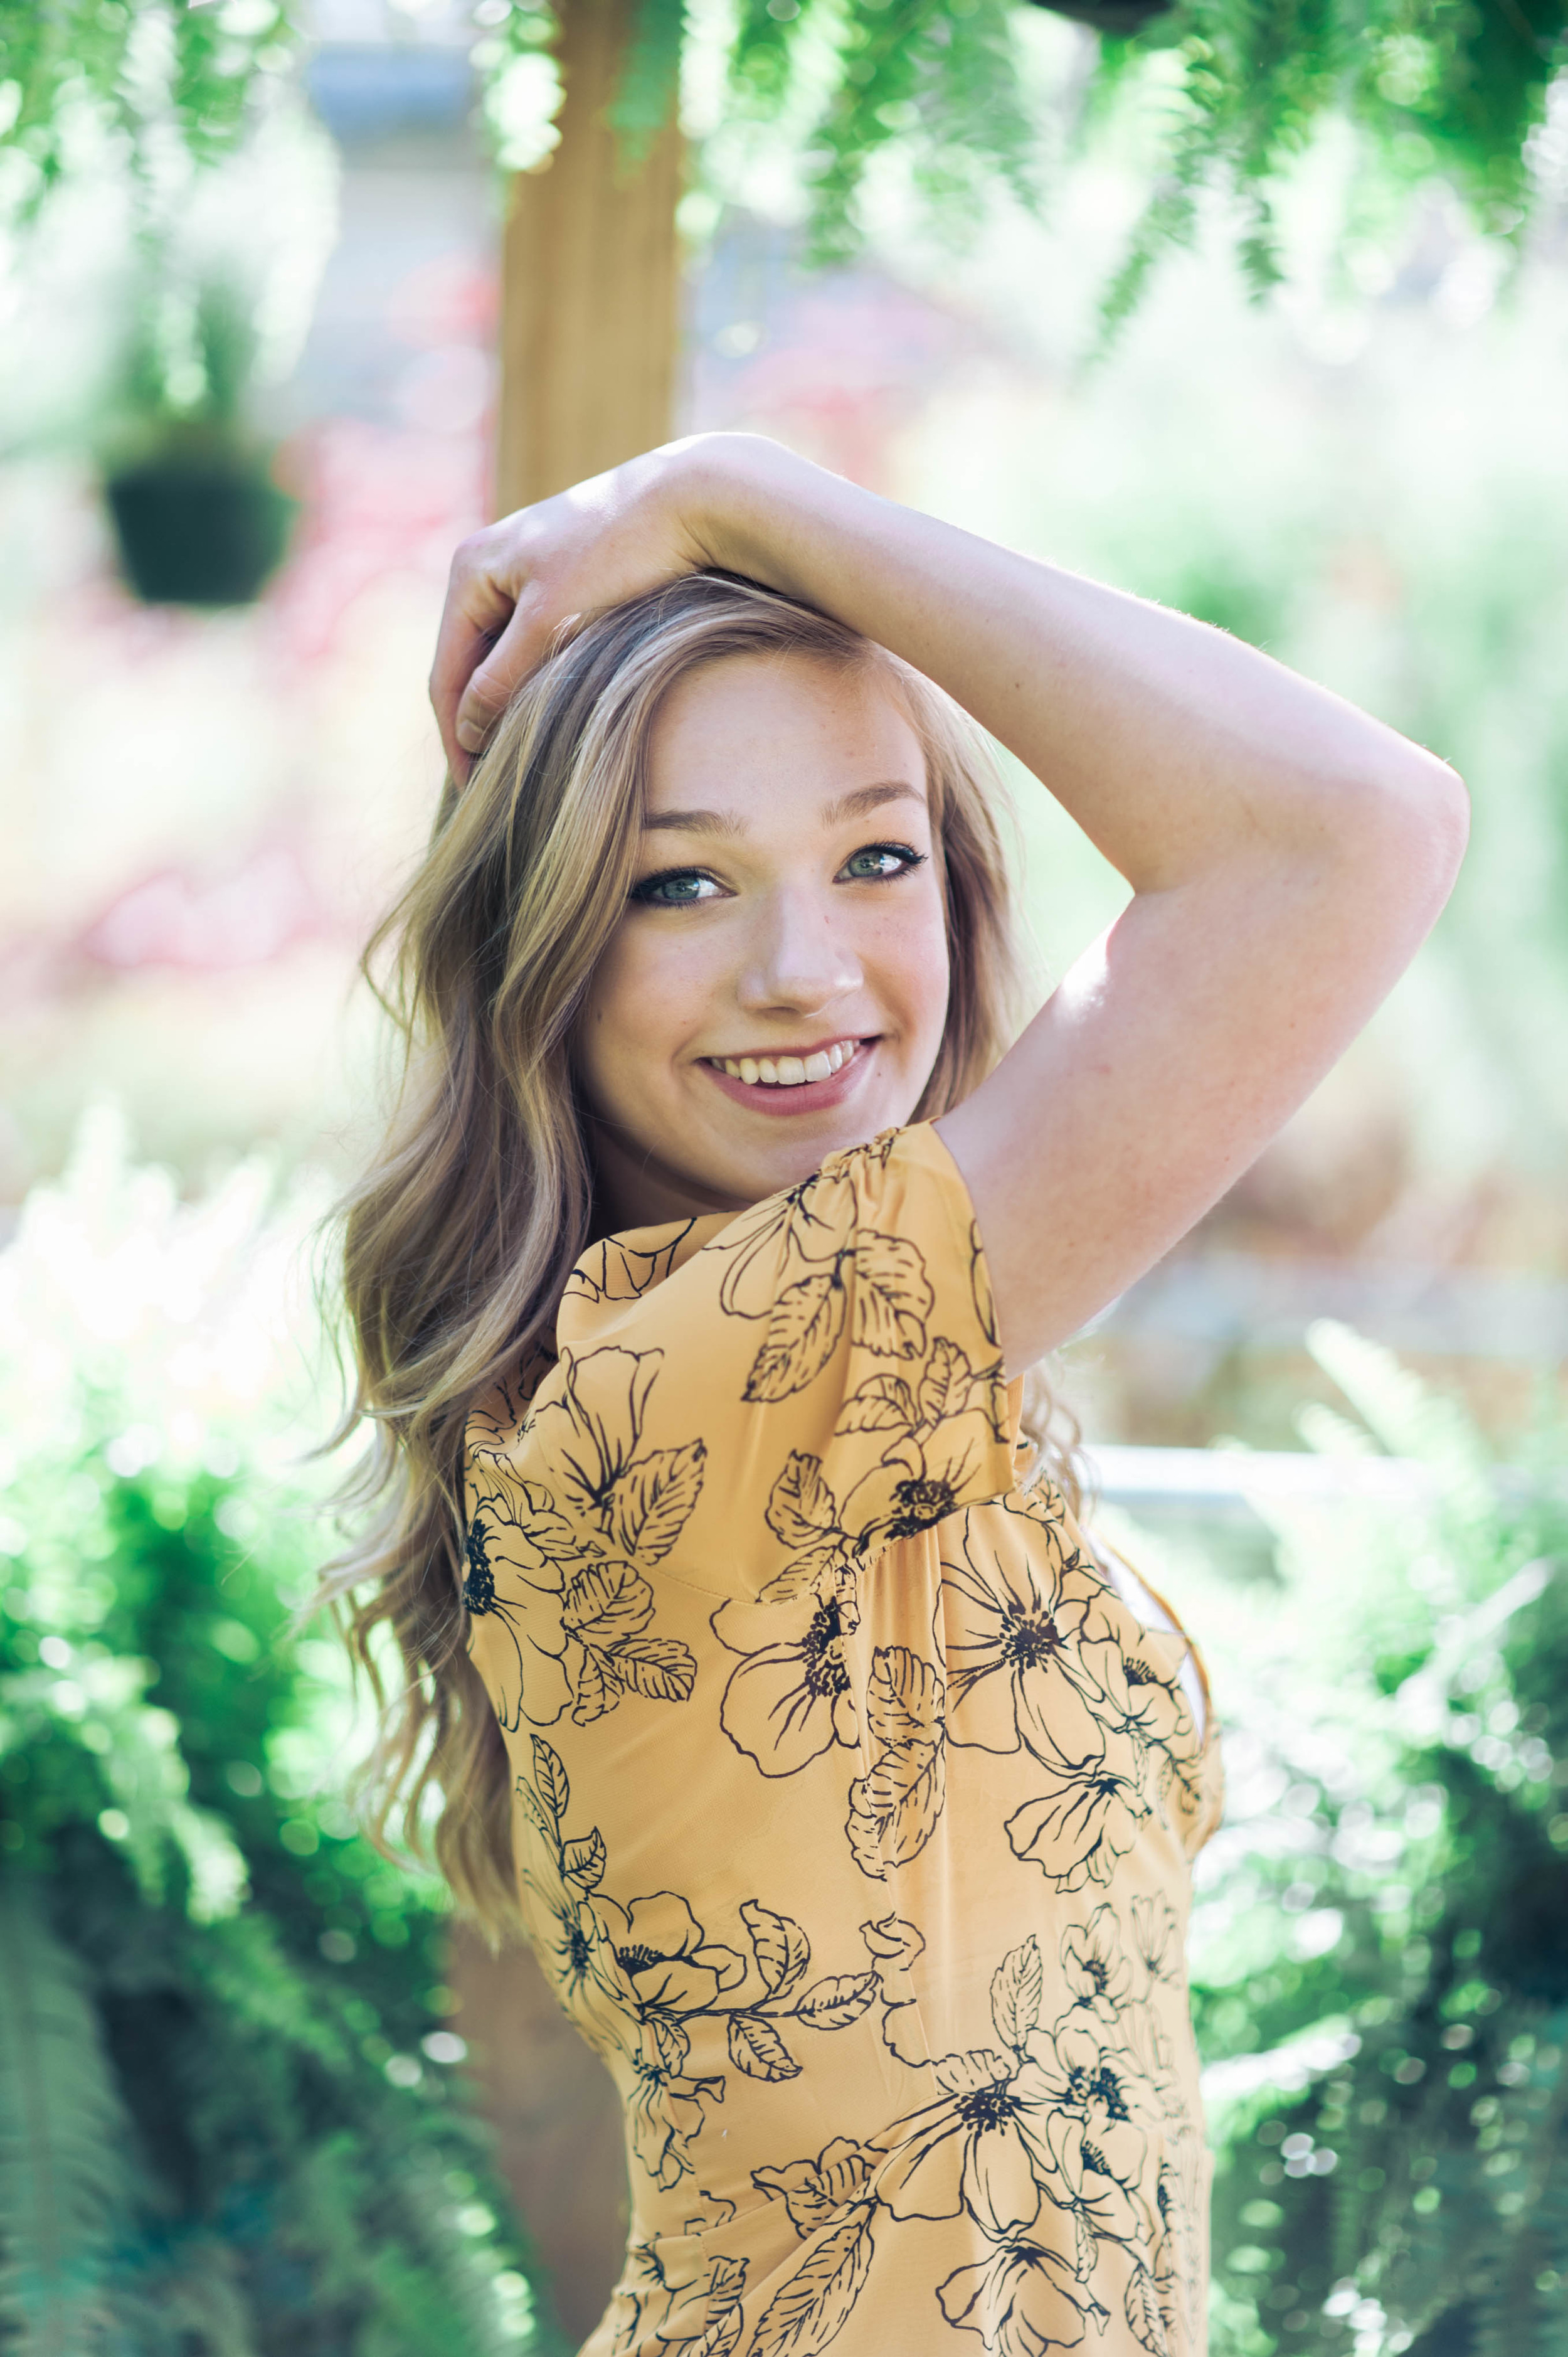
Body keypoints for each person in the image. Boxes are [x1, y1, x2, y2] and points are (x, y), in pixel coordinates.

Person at [325, 434, 1466, 2355]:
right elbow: (1349, 830)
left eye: (876, 855)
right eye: (676, 884)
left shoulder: (893, 1376)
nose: (803, 968)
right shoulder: (683, 1399)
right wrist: (740, 491)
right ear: (542, 955)